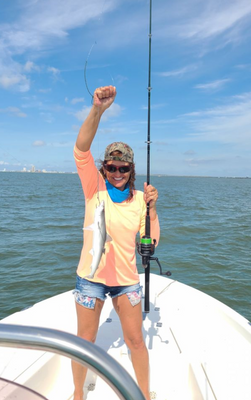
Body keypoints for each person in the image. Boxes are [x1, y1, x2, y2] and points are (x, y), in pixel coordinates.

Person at [72, 85, 160, 400]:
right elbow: (81, 149)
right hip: (91, 278)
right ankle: (78, 394)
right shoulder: (93, 187)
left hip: (126, 282)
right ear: (103, 168)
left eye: (124, 168)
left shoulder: (139, 199)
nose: (118, 172)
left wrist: (152, 208)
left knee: (136, 340)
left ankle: (145, 395)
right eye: (112, 167)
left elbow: (149, 245)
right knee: (85, 340)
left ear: (131, 169)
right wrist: (98, 109)